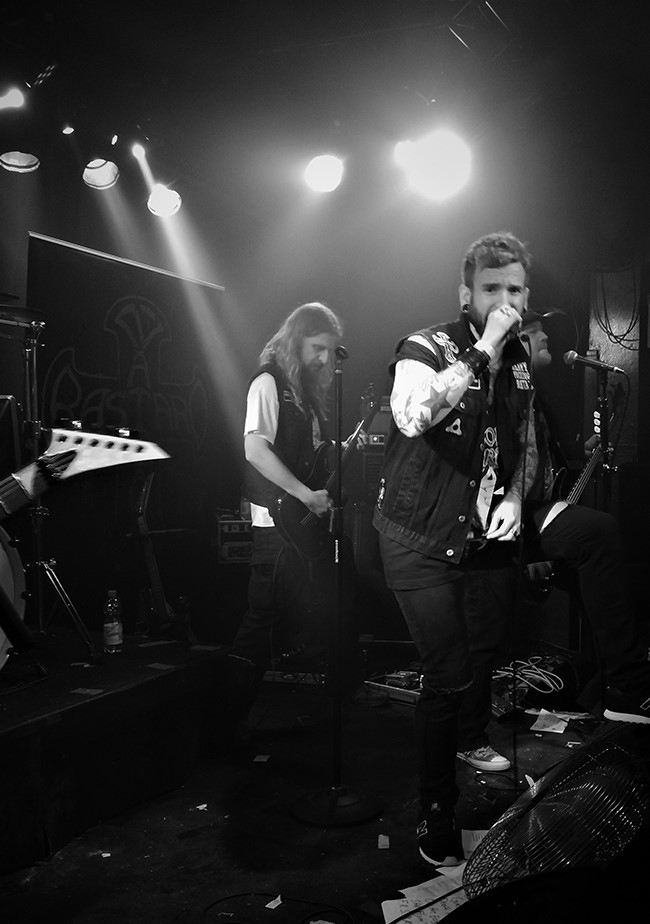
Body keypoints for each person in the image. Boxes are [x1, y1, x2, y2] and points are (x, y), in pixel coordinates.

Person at [373, 231, 537, 867]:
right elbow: (414, 416)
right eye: (491, 289)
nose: (505, 301)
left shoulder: (519, 361)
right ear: (466, 294)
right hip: (417, 536)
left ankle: (471, 743)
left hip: (476, 537)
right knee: (446, 675)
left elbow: (525, 439)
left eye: (515, 289)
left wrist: (516, 497)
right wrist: (483, 348)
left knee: (481, 654)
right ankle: (434, 809)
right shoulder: (425, 347)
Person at [226, 302, 385, 735]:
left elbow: (308, 457)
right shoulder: (268, 383)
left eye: (331, 350)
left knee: (340, 590)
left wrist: (338, 452)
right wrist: (305, 495)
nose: (325, 359)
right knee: (262, 619)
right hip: (276, 523)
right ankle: (226, 719)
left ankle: (344, 685)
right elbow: (255, 450)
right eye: (318, 348)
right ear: (296, 342)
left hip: (304, 517)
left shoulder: (306, 395)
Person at [517, 309, 650, 720]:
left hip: (535, 509)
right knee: (600, 531)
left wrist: (580, 450)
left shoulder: (533, 394)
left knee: (612, 578)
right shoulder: (504, 393)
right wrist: (526, 542)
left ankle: (606, 683)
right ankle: (628, 686)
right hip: (515, 518)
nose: (545, 338)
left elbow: (542, 462)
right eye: (535, 332)